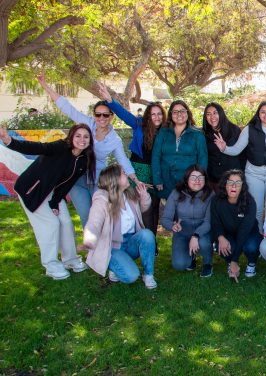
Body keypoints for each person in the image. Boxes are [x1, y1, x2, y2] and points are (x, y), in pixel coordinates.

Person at [37, 74, 139, 227]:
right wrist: (45, 85)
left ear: (112, 116)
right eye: (98, 114)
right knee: (86, 217)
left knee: (100, 217)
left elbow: (122, 160)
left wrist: (135, 179)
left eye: (105, 114)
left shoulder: (114, 140)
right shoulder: (87, 124)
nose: (101, 118)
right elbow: (67, 108)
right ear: (94, 115)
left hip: (97, 180)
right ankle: (91, 250)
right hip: (76, 179)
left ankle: (103, 249)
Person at [0, 124, 94, 280]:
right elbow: (36, 147)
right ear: (71, 136)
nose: (82, 140)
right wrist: (8, 140)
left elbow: (67, 184)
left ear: (90, 140)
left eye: (86, 136)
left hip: (52, 193)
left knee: (66, 222)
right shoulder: (60, 146)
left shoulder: (84, 160)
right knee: (50, 225)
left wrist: (55, 202)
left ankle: (70, 260)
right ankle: (51, 265)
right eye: (78, 135)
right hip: (32, 189)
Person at [96, 84, 166, 243]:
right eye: (153, 114)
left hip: (154, 172)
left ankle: (151, 242)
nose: (156, 117)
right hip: (137, 169)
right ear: (148, 116)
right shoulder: (139, 124)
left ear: (163, 116)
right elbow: (123, 114)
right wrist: (109, 100)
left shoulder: (166, 131)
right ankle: (132, 239)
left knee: (152, 207)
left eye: (159, 114)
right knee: (134, 205)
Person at [83, 164, 157, 289]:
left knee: (147, 235)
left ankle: (148, 275)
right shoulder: (101, 199)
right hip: (113, 247)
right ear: (114, 179)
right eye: (123, 173)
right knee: (132, 276)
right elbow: (94, 222)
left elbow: (143, 210)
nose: (127, 175)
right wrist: (89, 240)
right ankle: (114, 265)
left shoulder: (128, 194)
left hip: (131, 241)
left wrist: (144, 196)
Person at [214, 101, 266, 229]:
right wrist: (224, 148)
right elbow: (237, 149)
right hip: (253, 173)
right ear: (258, 114)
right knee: (256, 208)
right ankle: (257, 236)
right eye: (263, 112)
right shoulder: (249, 129)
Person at [162, 165, 214, 277]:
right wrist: (172, 226)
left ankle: (207, 263)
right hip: (183, 233)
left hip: (203, 233)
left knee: (204, 242)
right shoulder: (176, 193)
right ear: (186, 179)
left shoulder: (210, 194)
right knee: (179, 265)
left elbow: (208, 222)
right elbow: (165, 219)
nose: (197, 181)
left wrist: (196, 236)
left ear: (205, 179)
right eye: (193, 177)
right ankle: (192, 257)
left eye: (201, 177)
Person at [211, 169, 263, 282]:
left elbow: (244, 231)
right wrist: (220, 237)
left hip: (248, 233)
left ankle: (252, 262)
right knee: (225, 246)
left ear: (242, 186)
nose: (234, 186)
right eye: (230, 182)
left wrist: (235, 259)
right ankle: (230, 263)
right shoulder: (216, 200)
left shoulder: (250, 202)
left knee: (251, 247)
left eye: (238, 183)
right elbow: (215, 223)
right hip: (228, 233)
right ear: (225, 184)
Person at [152, 99, 208, 200]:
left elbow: (203, 158)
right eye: (175, 111)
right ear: (170, 114)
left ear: (187, 113)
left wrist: (199, 180)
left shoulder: (197, 134)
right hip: (166, 180)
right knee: (169, 211)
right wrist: (157, 179)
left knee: (186, 211)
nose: (179, 114)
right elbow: (156, 156)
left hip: (188, 181)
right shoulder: (163, 132)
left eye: (182, 111)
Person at [202, 102, 244, 190]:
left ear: (221, 113)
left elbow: (243, 155)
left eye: (215, 113)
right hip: (214, 179)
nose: (212, 117)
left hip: (233, 179)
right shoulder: (204, 134)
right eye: (208, 114)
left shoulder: (234, 130)